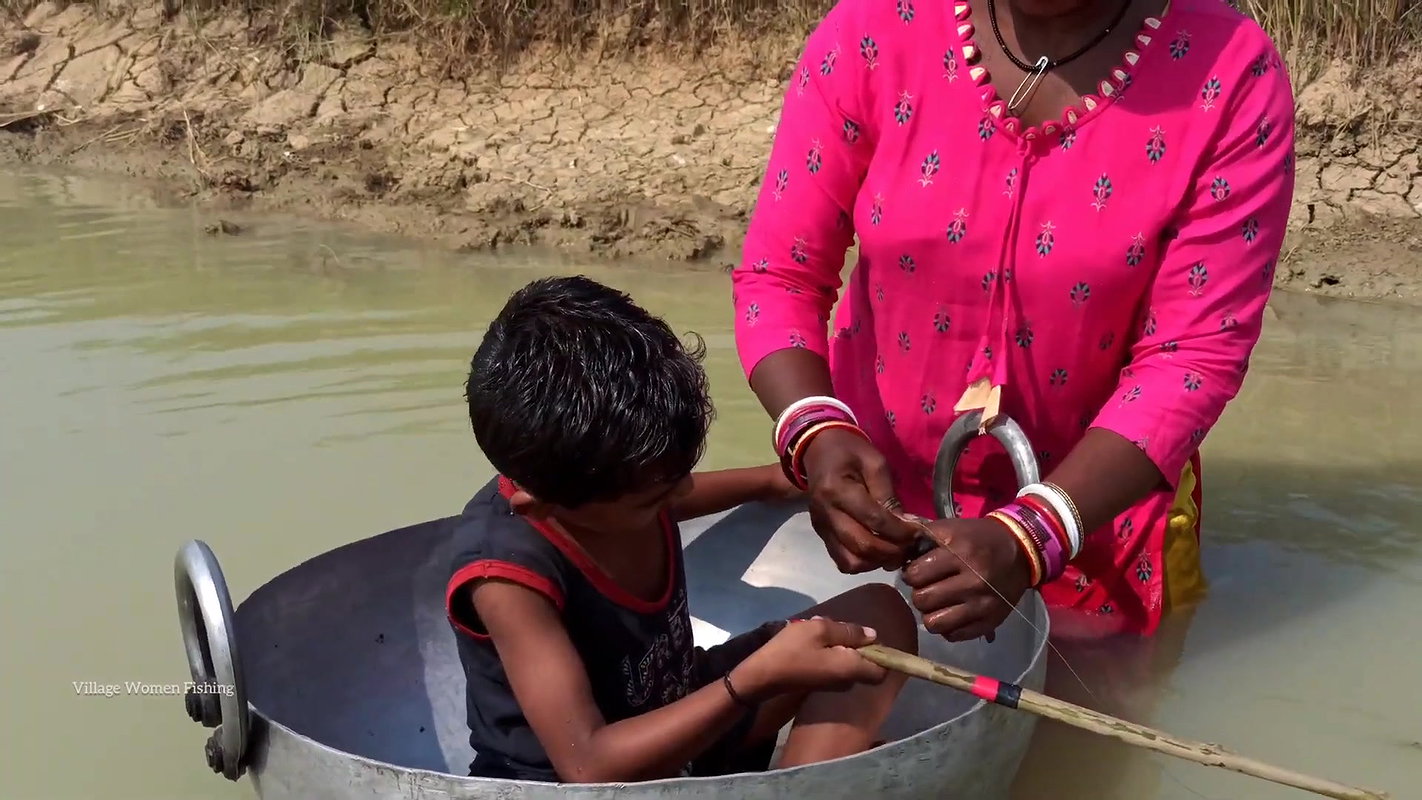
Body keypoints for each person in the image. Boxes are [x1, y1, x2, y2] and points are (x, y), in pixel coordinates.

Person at [732, 0, 1296, 641]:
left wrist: (1035, 533)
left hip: (1096, 528)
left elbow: (1192, 359)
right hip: (873, 514)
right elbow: (781, 276)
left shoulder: (1230, 72)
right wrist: (815, 431)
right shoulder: (874, 30)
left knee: (1095, 698)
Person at [445, 275, 918, 784]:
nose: (680, 496)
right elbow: (588, 765)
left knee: (878, 615)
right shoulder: (506, 574)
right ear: (542, 508)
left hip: (682, 713)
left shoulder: (611, 483)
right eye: (657, 500)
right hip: (587, 781)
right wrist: (750, 682)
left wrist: (781, 479)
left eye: (678, 481)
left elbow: (673, 492)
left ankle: (798, 781)